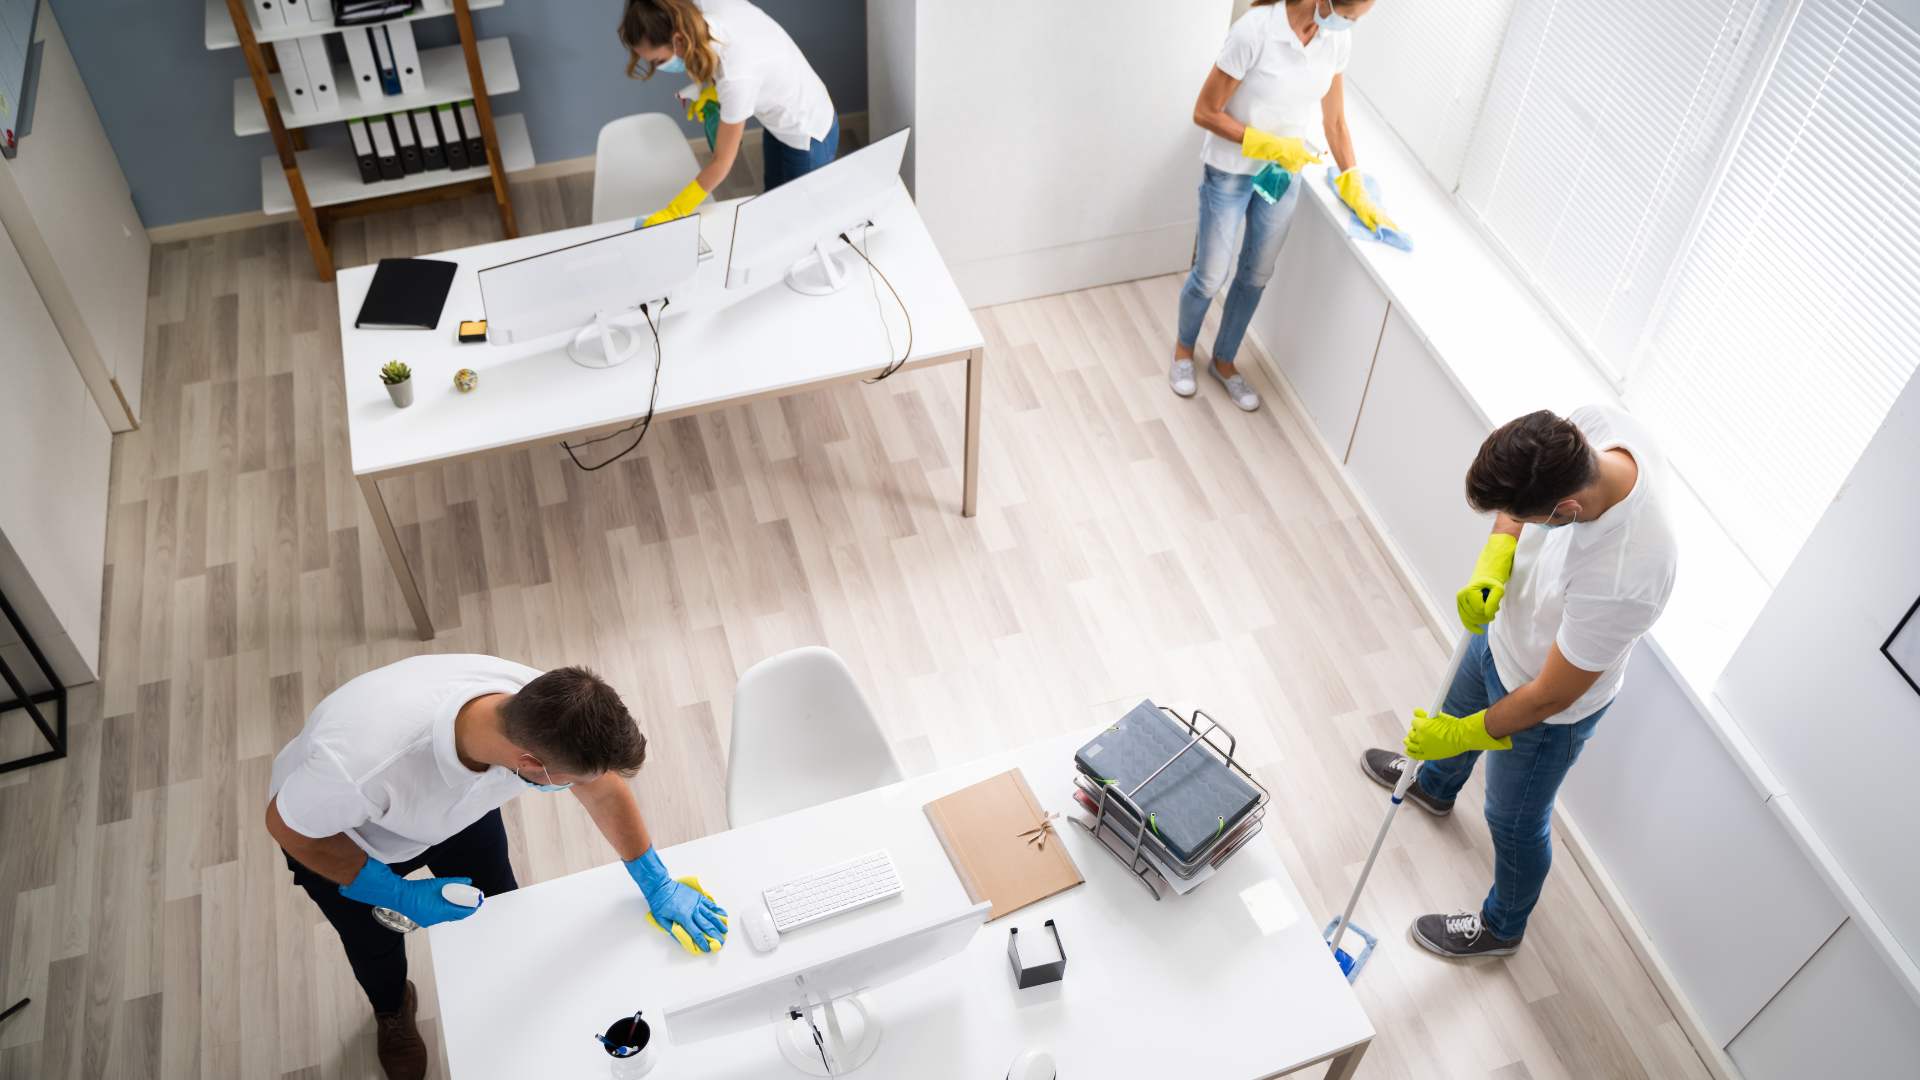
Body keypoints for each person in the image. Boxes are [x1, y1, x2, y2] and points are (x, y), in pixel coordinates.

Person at [265, 656, 727, 1080]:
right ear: (528, 764)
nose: (579, 786)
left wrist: (657, 881)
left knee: (503, 904)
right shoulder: (360, 766)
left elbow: (603, 789)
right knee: (374, 943)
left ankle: (512, 989)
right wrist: (396, 893)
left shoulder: (542, 708)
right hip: (346, 834)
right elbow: (290, 828)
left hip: (459, 815)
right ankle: (392, 1009)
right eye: (570, 781)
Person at [1360, 407, 1678, 957]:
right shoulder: (1590, 428)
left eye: (1528, 520)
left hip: (1546, 708)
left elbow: (1550, 695)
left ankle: (1502, 927)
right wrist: (1496, 556)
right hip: (1501, 633)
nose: (1516, 520)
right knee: (1453, 724)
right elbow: (1517, 501)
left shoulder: (1629, 571)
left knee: (1512, 821)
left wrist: (1461, 735)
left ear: (1568, 510)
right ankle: (1434, 787)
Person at [1174, 0, 1397, 413]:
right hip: (1230, 169)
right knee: (1210, 275)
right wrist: (1265, 143)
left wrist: (1355, 184)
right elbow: (1205, 112)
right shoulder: (1255, 30)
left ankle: (1223, 361)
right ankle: (1183, 352)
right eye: (1349, 16)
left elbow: (1335, 122)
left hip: (1281, 174)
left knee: (1255, 274)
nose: (1349, 25)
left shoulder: (1334, 42)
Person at [620, 0, 839, 227]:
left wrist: (675, 211)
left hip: (808, 131)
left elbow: (722, 162)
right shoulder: (700, 6)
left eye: (660, 60)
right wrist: (717, 91)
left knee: (805, 221)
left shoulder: (736, 75)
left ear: (678, 40)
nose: (659, 67)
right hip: (777, 121)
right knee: (773, 201)